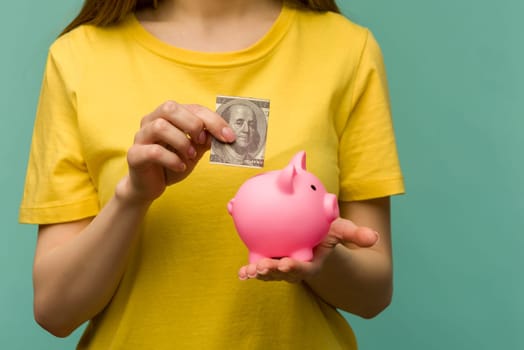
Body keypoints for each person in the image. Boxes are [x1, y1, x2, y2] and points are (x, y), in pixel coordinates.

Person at [19, 0, 405, 348]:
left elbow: (374, 295)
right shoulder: (78, 57)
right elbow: (55, 311)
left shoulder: (346, 50)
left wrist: (319, 253)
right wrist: (132, 196)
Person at [211, 100, 265, 167]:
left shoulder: (250, 160)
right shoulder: (218, 155)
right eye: (239, 123)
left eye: (251, 124)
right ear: (225, 125)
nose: (246, 130)